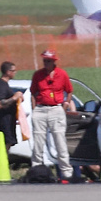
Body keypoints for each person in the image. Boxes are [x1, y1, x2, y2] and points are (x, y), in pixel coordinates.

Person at [29, 49, 75, 182]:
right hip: (41, 109)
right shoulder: (38, 75)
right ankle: (36, 169)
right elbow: (33, 92)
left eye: (48, 61)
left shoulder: (62, 74)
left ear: (54, 61)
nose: (46, 63)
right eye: (44, 60)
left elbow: (69, 90)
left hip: (56, 109)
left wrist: (65, 105)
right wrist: (34, 109)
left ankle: (66, 172)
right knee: (38, 141)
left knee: (60, 141)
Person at [0, 60, 23, 156]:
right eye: (13, 71)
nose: (15, 73)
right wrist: (14, 98)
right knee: (5, 144)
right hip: (5, 119)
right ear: (8, 72)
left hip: (10, 119)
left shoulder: (5, 85)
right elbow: (0, 103)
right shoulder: (1, 85)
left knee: (9, 143)